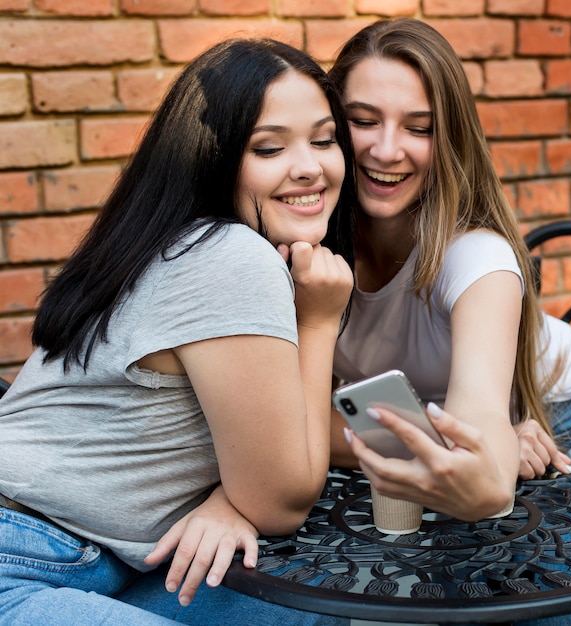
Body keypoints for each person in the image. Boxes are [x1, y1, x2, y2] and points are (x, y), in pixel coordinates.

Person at [0, 37, 355, 625]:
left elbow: (269, 462)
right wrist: (317, 323)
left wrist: (228, 498)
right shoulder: (228, 257)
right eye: (269, 148)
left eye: (324, 139)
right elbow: (281, 501)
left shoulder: (179, 242)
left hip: (107, 557)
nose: (310, 166)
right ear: (210, 158)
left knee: (317, 607)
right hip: (24, 557)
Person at [328, 16, 571, 541]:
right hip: (474, 431)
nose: (387, 149)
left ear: (448, 140)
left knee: (549, 567)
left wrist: (488, 450)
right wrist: (485, 446)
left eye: (419, 128)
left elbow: (478, 428)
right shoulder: (307, 245)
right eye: (363, 120)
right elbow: (293, 430)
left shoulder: (474, 256)